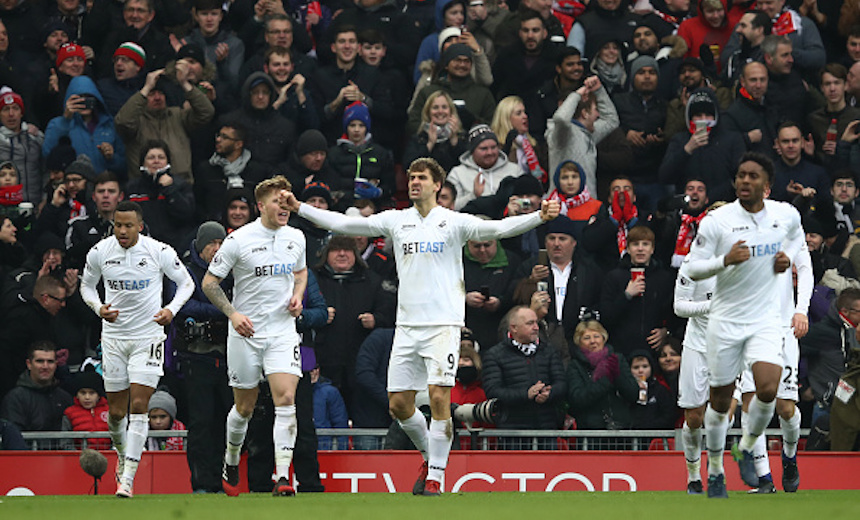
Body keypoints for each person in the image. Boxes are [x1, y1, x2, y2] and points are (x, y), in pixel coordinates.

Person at [281, 157, 560, 496]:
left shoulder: (453, 222)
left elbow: (498, 230)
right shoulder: (397, 221)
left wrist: (538, 217)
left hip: (443, 325)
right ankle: (432, 455)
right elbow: (344, 224)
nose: (414, 182)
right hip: (408, 326)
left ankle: (436, 478)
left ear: (437, 186)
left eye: (421, 178)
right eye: (411, 177)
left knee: (439, 397)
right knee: (398, 404)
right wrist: (299, 208)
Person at [685, 151, 804, 498]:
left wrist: (786, 259)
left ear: (767, 185)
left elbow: (796, 242)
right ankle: (717, 470)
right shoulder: (717, 221)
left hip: (766, 319)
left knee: (768, 390)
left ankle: (748, 445)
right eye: (740, 175)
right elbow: (692, 268)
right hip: (725, 319)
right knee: (720, 403)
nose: (745, 181)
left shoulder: (786, 215)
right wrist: (724, 260)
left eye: (752, 176)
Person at [79, 200, 195, 498]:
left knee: (140, 405)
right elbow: (87, 287)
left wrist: (171, 309)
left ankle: (128, 478)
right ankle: (122, 456)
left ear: (139, 226)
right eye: (118, 225)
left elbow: (186, 284)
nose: (122, 231)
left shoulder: (159, 251)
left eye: (128, 225)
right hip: (114, 338)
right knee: (116, 413)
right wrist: (97, 307)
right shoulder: (100, 252)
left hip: (148, 337)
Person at [202, 176, 308, 497]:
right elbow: (209, 283)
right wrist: (233, 314)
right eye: (278, 201)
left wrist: (298, 295)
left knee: (286, 399)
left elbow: (301, 272)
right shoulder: (238, 240)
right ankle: (232, 457)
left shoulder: (297, 238)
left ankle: (281, 476)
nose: (285, 206)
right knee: (245, 408)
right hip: (246, 334)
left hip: (282, 332)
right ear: (260, 206)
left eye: (288, 200)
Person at [481, 306, 567, 450]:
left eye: (536, 323)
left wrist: (549, 393)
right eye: (530, 323)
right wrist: (525, 394)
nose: (535, 327)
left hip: (546, 428)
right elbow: (492, 390)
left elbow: (562, 383)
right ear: (513, 328)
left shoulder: (549, 351)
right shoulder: (495, 355)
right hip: (513, 431)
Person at [599, 225, 675, 360]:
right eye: (635, 244)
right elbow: (606, 317)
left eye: (645, 244)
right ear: (628, 249)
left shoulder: (664, 278)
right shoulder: (614, 277)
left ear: (652, 249)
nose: (640, 248)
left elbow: (673, 312)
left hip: (653, 351)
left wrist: (666, 331)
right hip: (621, 351)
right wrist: (626, 295)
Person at [565, 320, 639, 444]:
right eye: (587, 338)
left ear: (603, 338)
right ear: (579, 342)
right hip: (590, 435)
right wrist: (606, 380)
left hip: (621, 431)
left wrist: (617, 375)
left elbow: (633, 394)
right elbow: (577, 398)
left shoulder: (617, 359)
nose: (593, 341)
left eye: (596, 336)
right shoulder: (575, 366)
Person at [546, 76, 618, 199]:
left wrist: (599, 90)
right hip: (561, 207)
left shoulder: (589, 133)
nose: (598, 114)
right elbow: (561, 119)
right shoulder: (563, 134)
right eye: (596, 109)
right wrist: (577, 94)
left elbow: (611, 120)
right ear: (585, 113)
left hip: (587, 206)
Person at [0, 341, 74, 434]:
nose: (45, 366)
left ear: (56, 364)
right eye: (40, 361)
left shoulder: (65, 398)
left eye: (50, 362)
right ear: (29, 364)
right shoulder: (15, 398)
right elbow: (12, 438)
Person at [448, 124, 520, 211]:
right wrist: (473, 195)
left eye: (493, 147)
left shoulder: (515, 170)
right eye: (483, 149)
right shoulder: (457, 173)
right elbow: (450, 207)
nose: (490, 152)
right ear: (472, 151)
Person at [402, 90, 467, 174]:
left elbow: (468, 166)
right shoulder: (418, 139)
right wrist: (430, 144)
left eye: (444, 107)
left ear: (451, 111)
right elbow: (410, 168)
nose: (440, 111)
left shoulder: (463, 137)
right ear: (428, 112)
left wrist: (454, 141)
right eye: (435, 107)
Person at [62, 370, 110, 450]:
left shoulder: (110, 411)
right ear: (77, 395)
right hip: (79, 458)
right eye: (83, 393)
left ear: (98, 395)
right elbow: (65, 440)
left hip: (109, 456)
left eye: (92, 393)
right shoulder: (69, 413)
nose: (87, 397)